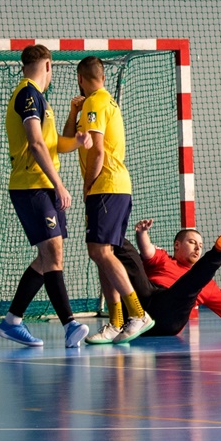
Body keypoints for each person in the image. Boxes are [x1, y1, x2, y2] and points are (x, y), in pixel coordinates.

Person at [0, 44, 91, 349]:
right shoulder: (27, 94)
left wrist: (74, 142)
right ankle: (70, 324)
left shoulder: (41, 99)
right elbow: (36, 145)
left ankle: (12, 321)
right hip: (32, 185)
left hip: (43, 185)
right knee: (52, 253)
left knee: (48, 256)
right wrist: (60, 184)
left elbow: (50, 145)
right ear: (48, 65)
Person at [62, 56, 154, 345]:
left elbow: (98, 152)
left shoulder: (96, 103)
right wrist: (72, 110)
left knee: (101, 252)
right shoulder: (100, 102)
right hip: (114, 187)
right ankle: (115, 322)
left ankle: (137, 313)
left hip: (107, 186)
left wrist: (88, 187)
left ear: (80, 78)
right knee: (99, 251)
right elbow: (66, 143)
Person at [109, 218, 221, 338]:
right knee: (130, 257)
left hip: (169, 316)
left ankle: (218, 251)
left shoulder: (206, 284)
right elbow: (146, 250)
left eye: (201, 245)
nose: (197, 248)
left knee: (191, 284)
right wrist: (141, 233)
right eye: (192, 242)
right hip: (139, 308)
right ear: (177, 245)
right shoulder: (163, 259)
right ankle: (107, 228)